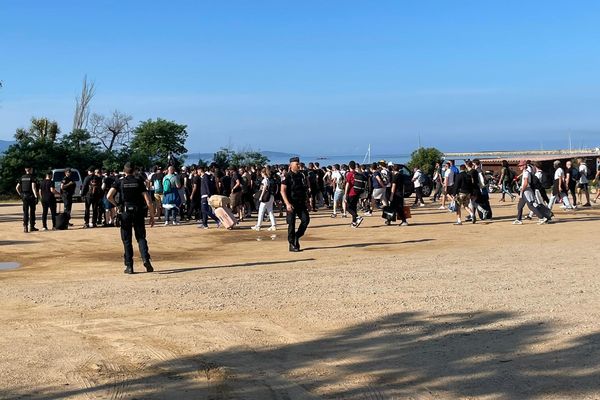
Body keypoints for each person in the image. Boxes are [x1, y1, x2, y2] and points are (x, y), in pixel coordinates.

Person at [107, 163, 155, 274]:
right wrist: (152, 215)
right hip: (138, 212)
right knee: (141, 237)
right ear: (134, 171)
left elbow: (109, 196)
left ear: (124, 171)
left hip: (125, 212)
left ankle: (129, 266)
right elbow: (148, 200)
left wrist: (117, 205)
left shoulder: (119, 181)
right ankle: (146, 259)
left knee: (127, 240)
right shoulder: (139, 181)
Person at [281, 157, 310, 252]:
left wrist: (307, 202)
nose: (298, 165)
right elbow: (282, 190)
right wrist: (287, 203)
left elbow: (305, 190)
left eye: (299, 163)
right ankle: (291, 243)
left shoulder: (301, 175)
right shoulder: (287, 176)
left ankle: (296, 236)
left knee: (306, 220)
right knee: (291, 224)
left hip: (301, 202)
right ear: (291, 165)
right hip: (291, 203)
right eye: (296, 164)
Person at [513, 160, 547, 225]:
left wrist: (522, 190)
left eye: (520, 165)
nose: (519, 167)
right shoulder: (525, 171)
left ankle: (542, 218)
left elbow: (526, 183)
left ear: (524, 166)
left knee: (530, 205)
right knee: (520, 206)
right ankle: (518, 219)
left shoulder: (526, 172)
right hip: (525, 190)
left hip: (526, 191)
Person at [251, 167, 277, 231]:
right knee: (270, 211)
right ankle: (273, 225)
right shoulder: (268, 179)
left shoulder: (264, 180)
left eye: (261, 173)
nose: (261, 174)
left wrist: (260, 197)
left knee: (261, 211)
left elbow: (264, 189)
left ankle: (258, 226)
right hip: (271, 196)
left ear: (263, 173)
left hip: (266, 197)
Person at [16, 166, 39, 233]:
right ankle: (32, 227)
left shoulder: (22, 177)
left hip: (24, 197)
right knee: (32, 212)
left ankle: (25, 226)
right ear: (31, 170)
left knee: (25, 212)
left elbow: (17, 187)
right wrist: (36, 197)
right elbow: (33, 188)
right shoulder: (32, 177)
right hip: (31, 196)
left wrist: (21, 194)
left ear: (25, 170)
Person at [344, 161, 365, 228]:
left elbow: (347, 184)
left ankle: (357, 217)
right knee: (353, 208)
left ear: (349, 166)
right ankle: (354, 222)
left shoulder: (349, 174)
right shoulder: (357, 173)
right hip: (357, 192)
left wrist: (345, 194)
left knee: (348, 207)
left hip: (351, 192)